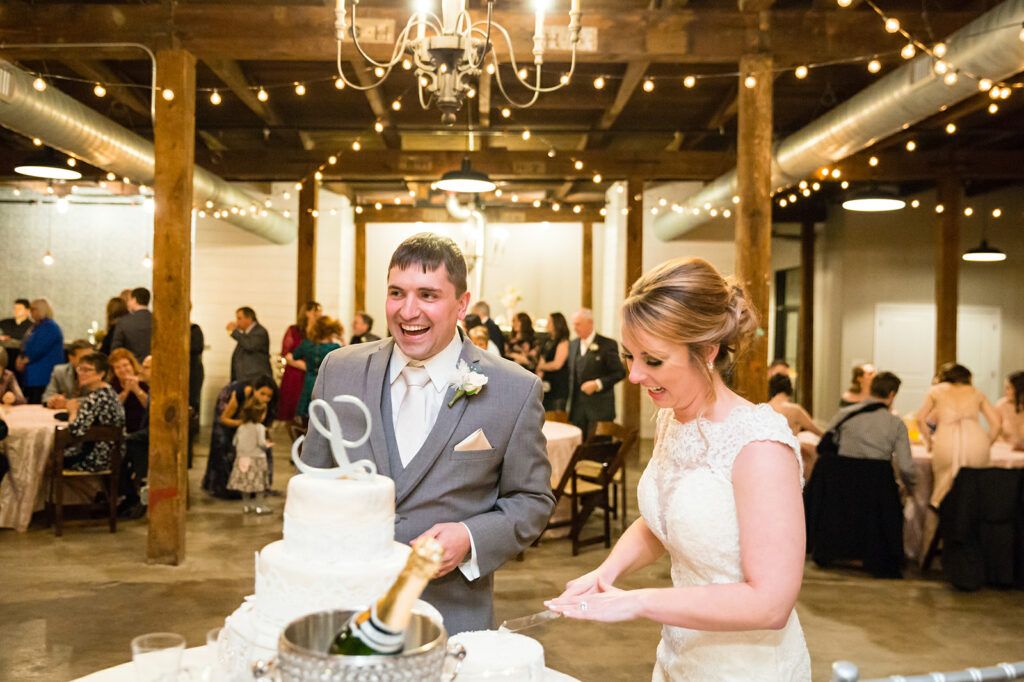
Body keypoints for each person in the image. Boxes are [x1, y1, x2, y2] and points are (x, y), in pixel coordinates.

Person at [546, 256, 811, 680]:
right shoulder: (673, 416)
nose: (633, 375)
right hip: (680, 655)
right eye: (629, 356)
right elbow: (664, 521)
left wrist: (637, 601)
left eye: (652, 361)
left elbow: (771, 604)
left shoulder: (759, 445)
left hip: (748, 667)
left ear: (707, 351)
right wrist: (606, 573)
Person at [301, 232, 554, 635]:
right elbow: (311, 484)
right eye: (396, 293)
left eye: (428, 295)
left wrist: (470, 537)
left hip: (451, 618)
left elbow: (532, 499)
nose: (408, 311)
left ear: (462, 305)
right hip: (343, 606)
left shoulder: (514, 389)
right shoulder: (339, 370)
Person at [916, 362, 1001, 508]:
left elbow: (920, 418)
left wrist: (929, 441)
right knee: (976, 490)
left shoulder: (936, 390)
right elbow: (996, 424)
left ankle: (941, 526)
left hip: (946, 440)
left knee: (942, 490)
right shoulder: (976, 392)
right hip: (976, 442)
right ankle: (970, 526)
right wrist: (988, 442)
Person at [823, 371, 915, 493]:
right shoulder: (896, 423)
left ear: (871, 389)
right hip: (877, 486)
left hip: (842, 483)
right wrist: (911, 488)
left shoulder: (845, 414)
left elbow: (827, 441)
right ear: (892, 394)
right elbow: (905, 467)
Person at [201, 376, 277, 499]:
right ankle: (221, 485)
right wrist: (243, 424)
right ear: (254, 390)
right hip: (230, 413)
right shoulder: (240, 394)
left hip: (245, 421)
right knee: (223, 442)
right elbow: (224, 418)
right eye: (262, 394)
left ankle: (253, 487)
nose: (265, 399)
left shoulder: (265, 405)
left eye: (268, 396)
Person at [62, 352, 126, 472]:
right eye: (80, 369)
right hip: (113, 455)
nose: (81, 373)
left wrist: (73, 411)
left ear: (101, 374)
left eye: (87, 370)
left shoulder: (96, 397)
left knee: (48, 458)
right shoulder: (109, 392)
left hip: (97, 458)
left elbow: (75, 431)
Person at [566, 308, 626, 438]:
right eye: (573, 324)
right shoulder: (572, 344)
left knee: (598, 449)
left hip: (600, 410)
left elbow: (619, 373)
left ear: (590, 323)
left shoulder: (607, 344)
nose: (574, 328)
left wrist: (597, 384)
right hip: (577, 411)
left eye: (578, 324)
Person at [289, 316, 343, 422]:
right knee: (324, 418)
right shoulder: (334, 347)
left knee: (305, 419)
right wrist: (342, 340)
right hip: (326, 385)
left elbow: (290, 357)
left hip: (309, 384)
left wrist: (306, 366)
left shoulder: (307, 344)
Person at [768, 373, 823, 475]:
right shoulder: (795, 410)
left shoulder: (764, 408)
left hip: (767, 457)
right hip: (788, 458)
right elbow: (817, 431)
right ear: (790, 389)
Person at [228, 396, 272, 514]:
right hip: (257, 459)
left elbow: (235, 442)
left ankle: (247, 506)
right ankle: (259, 506)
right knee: (259, 486)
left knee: (245, 485)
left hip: (242, 458)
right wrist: (268, 445)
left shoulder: (241, 427)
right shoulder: (260, 428)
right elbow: (261, 443)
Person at [279, 301, 321, 423]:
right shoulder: (294, 330)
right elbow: (286, 353)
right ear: (307, 313)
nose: (319, 314)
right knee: (293, 405)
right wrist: (305, 366)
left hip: (312, 374)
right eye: (316, 311)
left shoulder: (320, 332)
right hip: (295, 373)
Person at [16, 298, 65, 404]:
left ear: (41, 310)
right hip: (34, 375)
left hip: (43, 375)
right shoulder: (37, 326)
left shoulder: (50, 327)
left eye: (33, 310)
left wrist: (24, 361)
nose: (31, 312)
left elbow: (38, 349)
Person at [42, 339, 95, 408]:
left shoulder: (97, 372)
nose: (89, 362)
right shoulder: (59, 371)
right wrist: (53, 400)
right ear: (71, 358)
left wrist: (67, 403)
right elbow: (47, 396)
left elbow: (98, 399)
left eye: (92, 358)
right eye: (84, 358)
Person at [108, 348, 149, 434]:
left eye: (125, 365)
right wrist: (126, 391)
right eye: (117, 367)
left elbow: (149, 406)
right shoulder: (112, 385)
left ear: (132, 365)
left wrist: (136, 390)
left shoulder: (144, 381)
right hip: (119, 429)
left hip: (142, 429)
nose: (123, 370)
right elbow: (112, 409)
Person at [535, 312, 570, 412]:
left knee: (555, 414)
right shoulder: (548, 340)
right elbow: (542, 358)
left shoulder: (563, 341)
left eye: (550, 322)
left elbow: (557, 364)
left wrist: (542, 367)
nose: (547, 324)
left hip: (558, 386)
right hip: (546, 385)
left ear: (556, 324)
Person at [228, 307, 273, 384]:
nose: (236, 322)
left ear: (249, 319)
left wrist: (234, 332)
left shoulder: (260, 331)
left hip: (255, 378)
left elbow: (250, 345)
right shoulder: (245, 334)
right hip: (243, 378)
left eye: (239, 318)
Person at [110, 287, 152, 362]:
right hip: (153, 365)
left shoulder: (124, 321)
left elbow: (116, 349)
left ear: (134, 300)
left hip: (132, 365)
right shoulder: (156, 321)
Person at [995, 371, 1024, 450]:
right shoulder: (1001, 405)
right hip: (1007, 451)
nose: (1005, 391)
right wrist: (1008, 447)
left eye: (1009, 388)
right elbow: (995, 434)